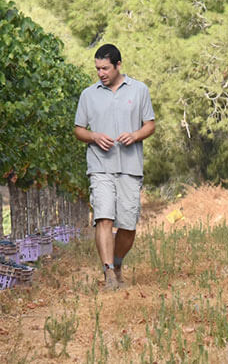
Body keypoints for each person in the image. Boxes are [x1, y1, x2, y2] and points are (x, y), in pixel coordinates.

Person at [73, 44, 155, 289]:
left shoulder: (140, 90)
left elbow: (150, 125)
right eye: (97, 68)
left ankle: (117, 263)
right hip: (99, 167)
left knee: (128, 226)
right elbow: (79, 130)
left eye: (105, 68)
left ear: (119, 65)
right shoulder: (89, 94)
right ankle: (108, 273)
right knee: (104, 218)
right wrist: (95, 137)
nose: (101, 73)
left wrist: (135, 135)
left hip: (130, 167)